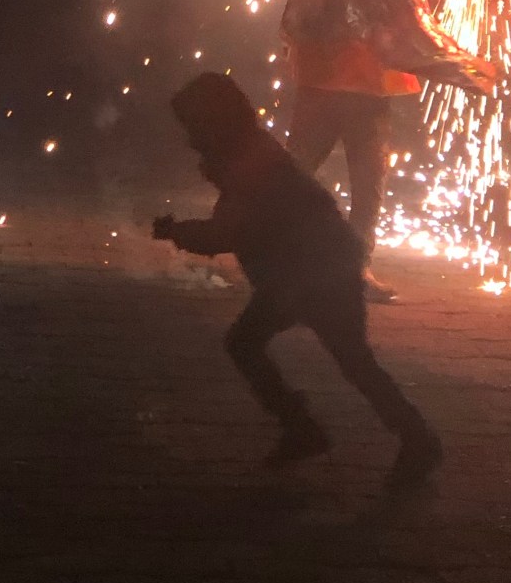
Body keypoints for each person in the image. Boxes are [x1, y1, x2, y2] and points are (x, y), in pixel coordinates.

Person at [154, 72, 441, 489]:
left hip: (313, 271)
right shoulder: (250, 150)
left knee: (260, 346)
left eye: (192, 127)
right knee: (351, 362)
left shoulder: (247, 163)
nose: (188, 138)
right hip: (317, 265)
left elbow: (227, 232)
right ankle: (396, 437)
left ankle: (349, 433)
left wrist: (176, 232)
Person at [283, 33, 418, 303]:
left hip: (363, 86)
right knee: (292, 179)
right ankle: (284, 267)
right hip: (324, 83)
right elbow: (296, 19)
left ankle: (353, 273)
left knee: (367, 185)